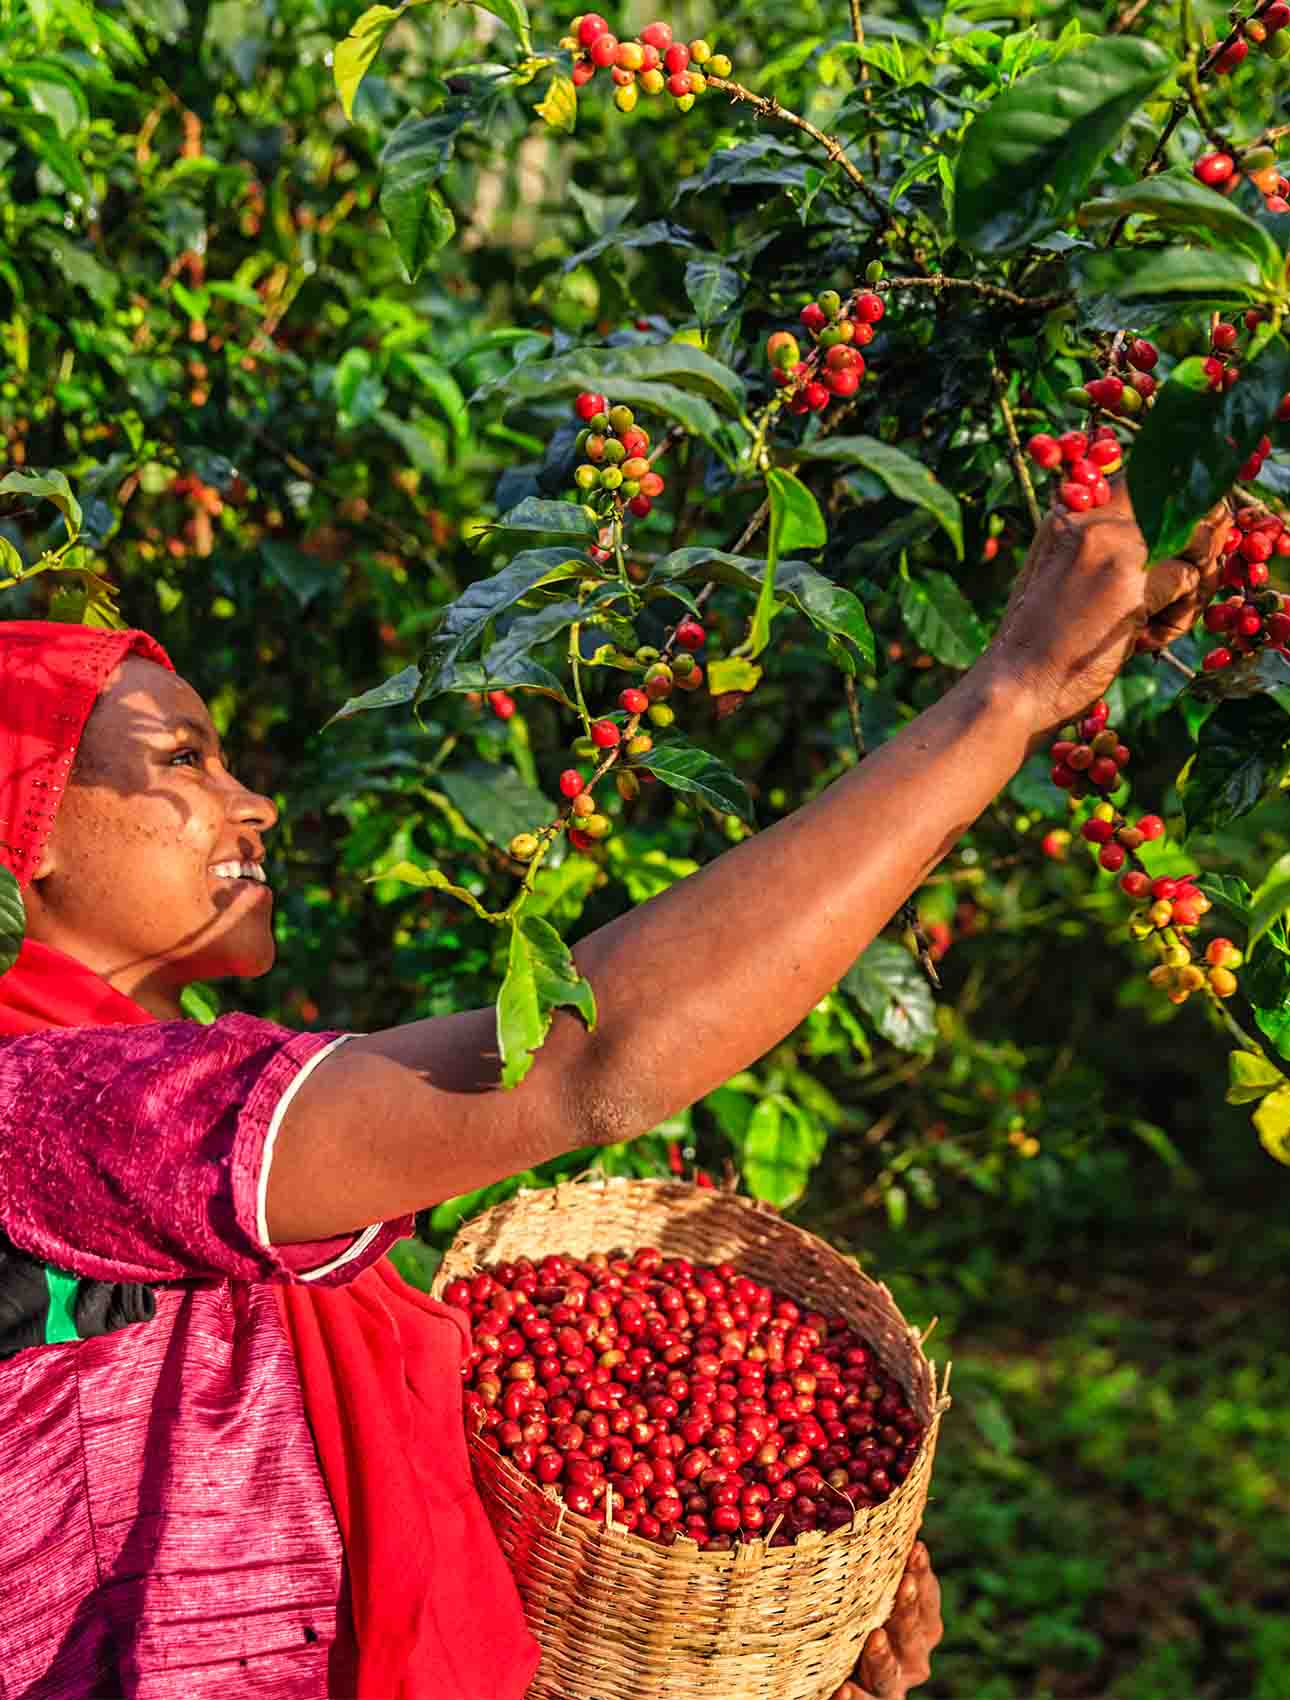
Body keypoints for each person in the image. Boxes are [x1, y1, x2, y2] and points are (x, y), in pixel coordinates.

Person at [0, 481, 1228, 1698]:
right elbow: (590, 1056)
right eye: (183, 759)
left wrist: (749, 1651)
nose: (252, 799)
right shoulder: (45, 1102)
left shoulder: (165, 1097)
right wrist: (1003, 696)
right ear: (28, 828)